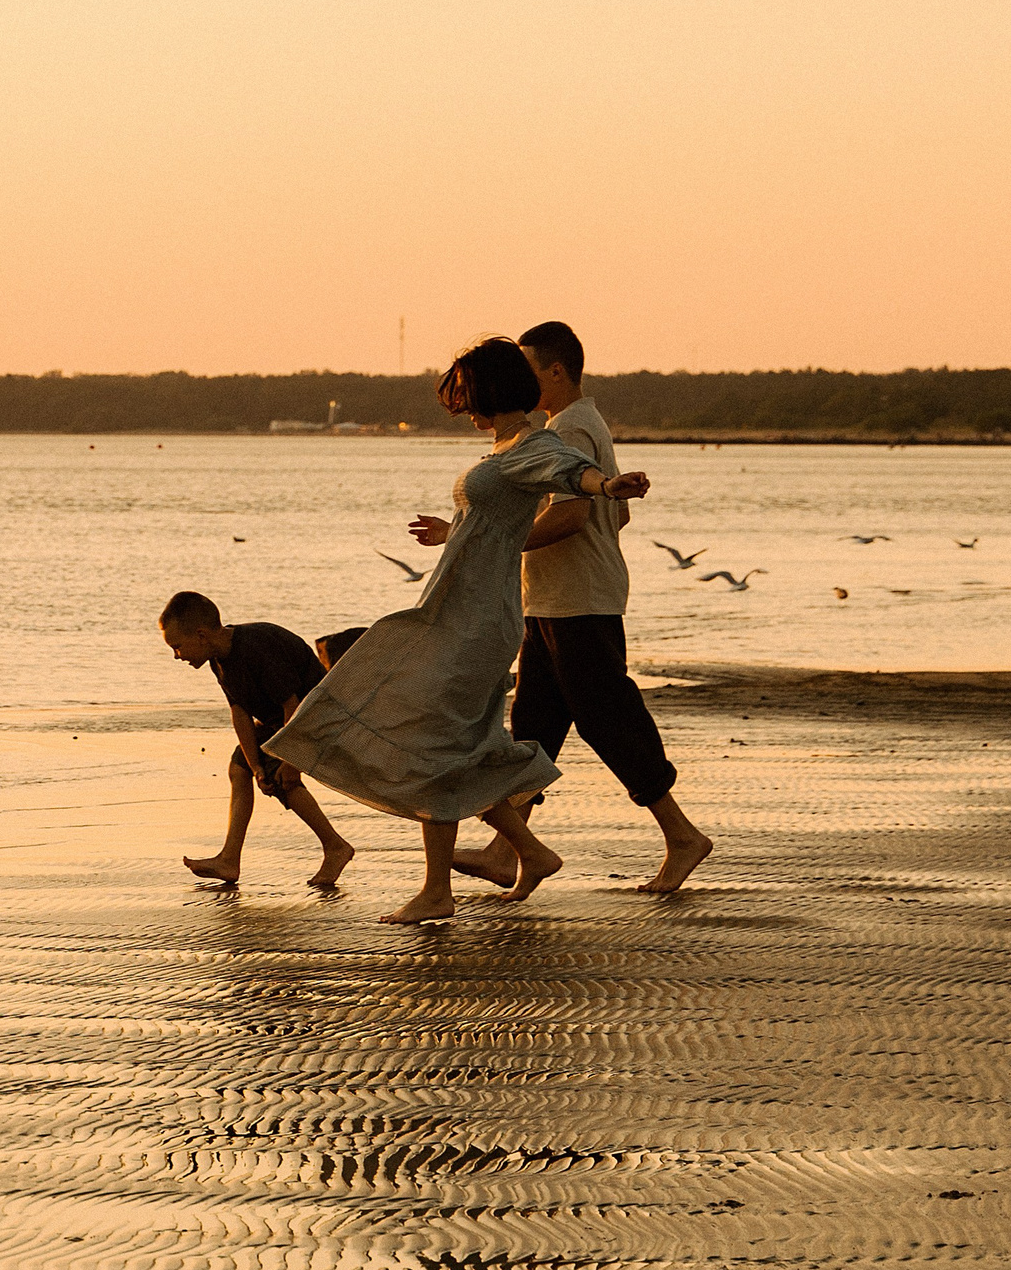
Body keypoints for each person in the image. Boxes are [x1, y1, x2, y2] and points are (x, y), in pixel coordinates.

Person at [264, 338, 650, 923]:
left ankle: (439, 888)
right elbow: (494, 521)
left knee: (431, 734)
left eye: (469, 399)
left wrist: (606, 486)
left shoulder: (533, 445)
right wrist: (455, 532)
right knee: (453, 742)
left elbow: (571, 472)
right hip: (457, 610)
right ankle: (529, 851)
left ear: (493, 393)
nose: (465, 411)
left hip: (477, 622)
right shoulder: (506, 449)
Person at [454, 321, 712, 893]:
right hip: (555, 596)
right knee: (534, 725)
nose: (518, 383)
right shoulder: (575, 424)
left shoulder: (569, 428)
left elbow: (572, 515)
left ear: (554, 371)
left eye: (527, 371)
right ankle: (505, 850)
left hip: (579, 600)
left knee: (607, 718)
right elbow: (615, 513)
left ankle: (682, 836)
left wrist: (499, 541)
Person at [159, 591, 356, 888]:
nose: (176, 655)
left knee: (281, 776)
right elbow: (240, 713)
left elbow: (294, 706)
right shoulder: (219, 660)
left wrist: (292, 761)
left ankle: (335, 847)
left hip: (319, 716)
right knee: (240, 768)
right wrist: (255, 767)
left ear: (201, 635)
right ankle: (229, 859)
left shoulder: (255, 647)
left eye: (177, 646)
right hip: (282, 721)